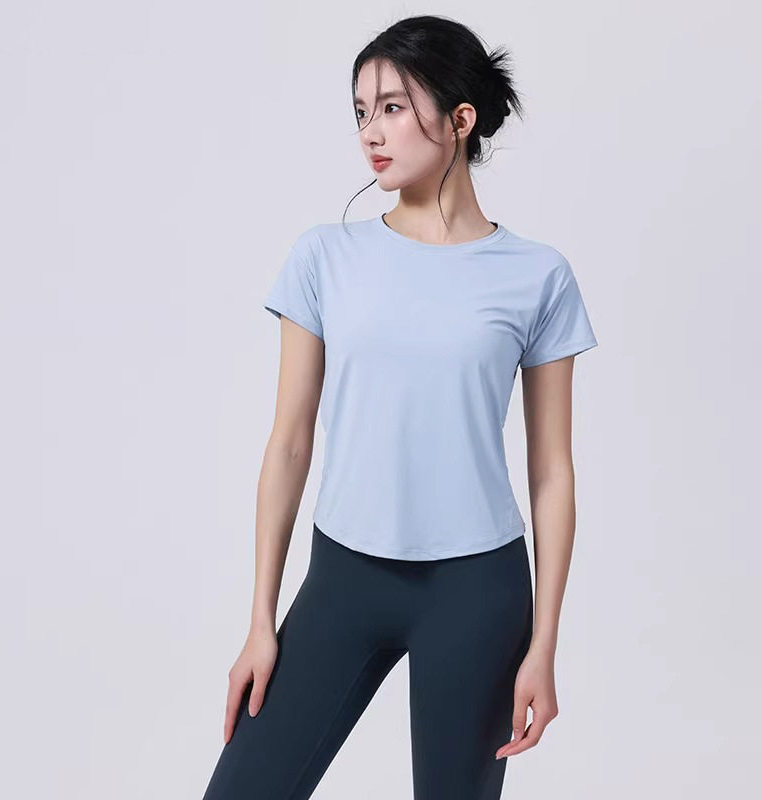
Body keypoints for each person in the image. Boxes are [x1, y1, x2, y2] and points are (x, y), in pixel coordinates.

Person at [201, 14, 598, 800]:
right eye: (361, 111)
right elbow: (288, 442)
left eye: (391, 107)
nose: (370, 132)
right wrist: (260, 621)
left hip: (478, 592)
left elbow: (552, 472)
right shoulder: (325, 256)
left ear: (461, 118)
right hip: (344, 578)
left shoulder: (537, 276)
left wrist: (544, 644)